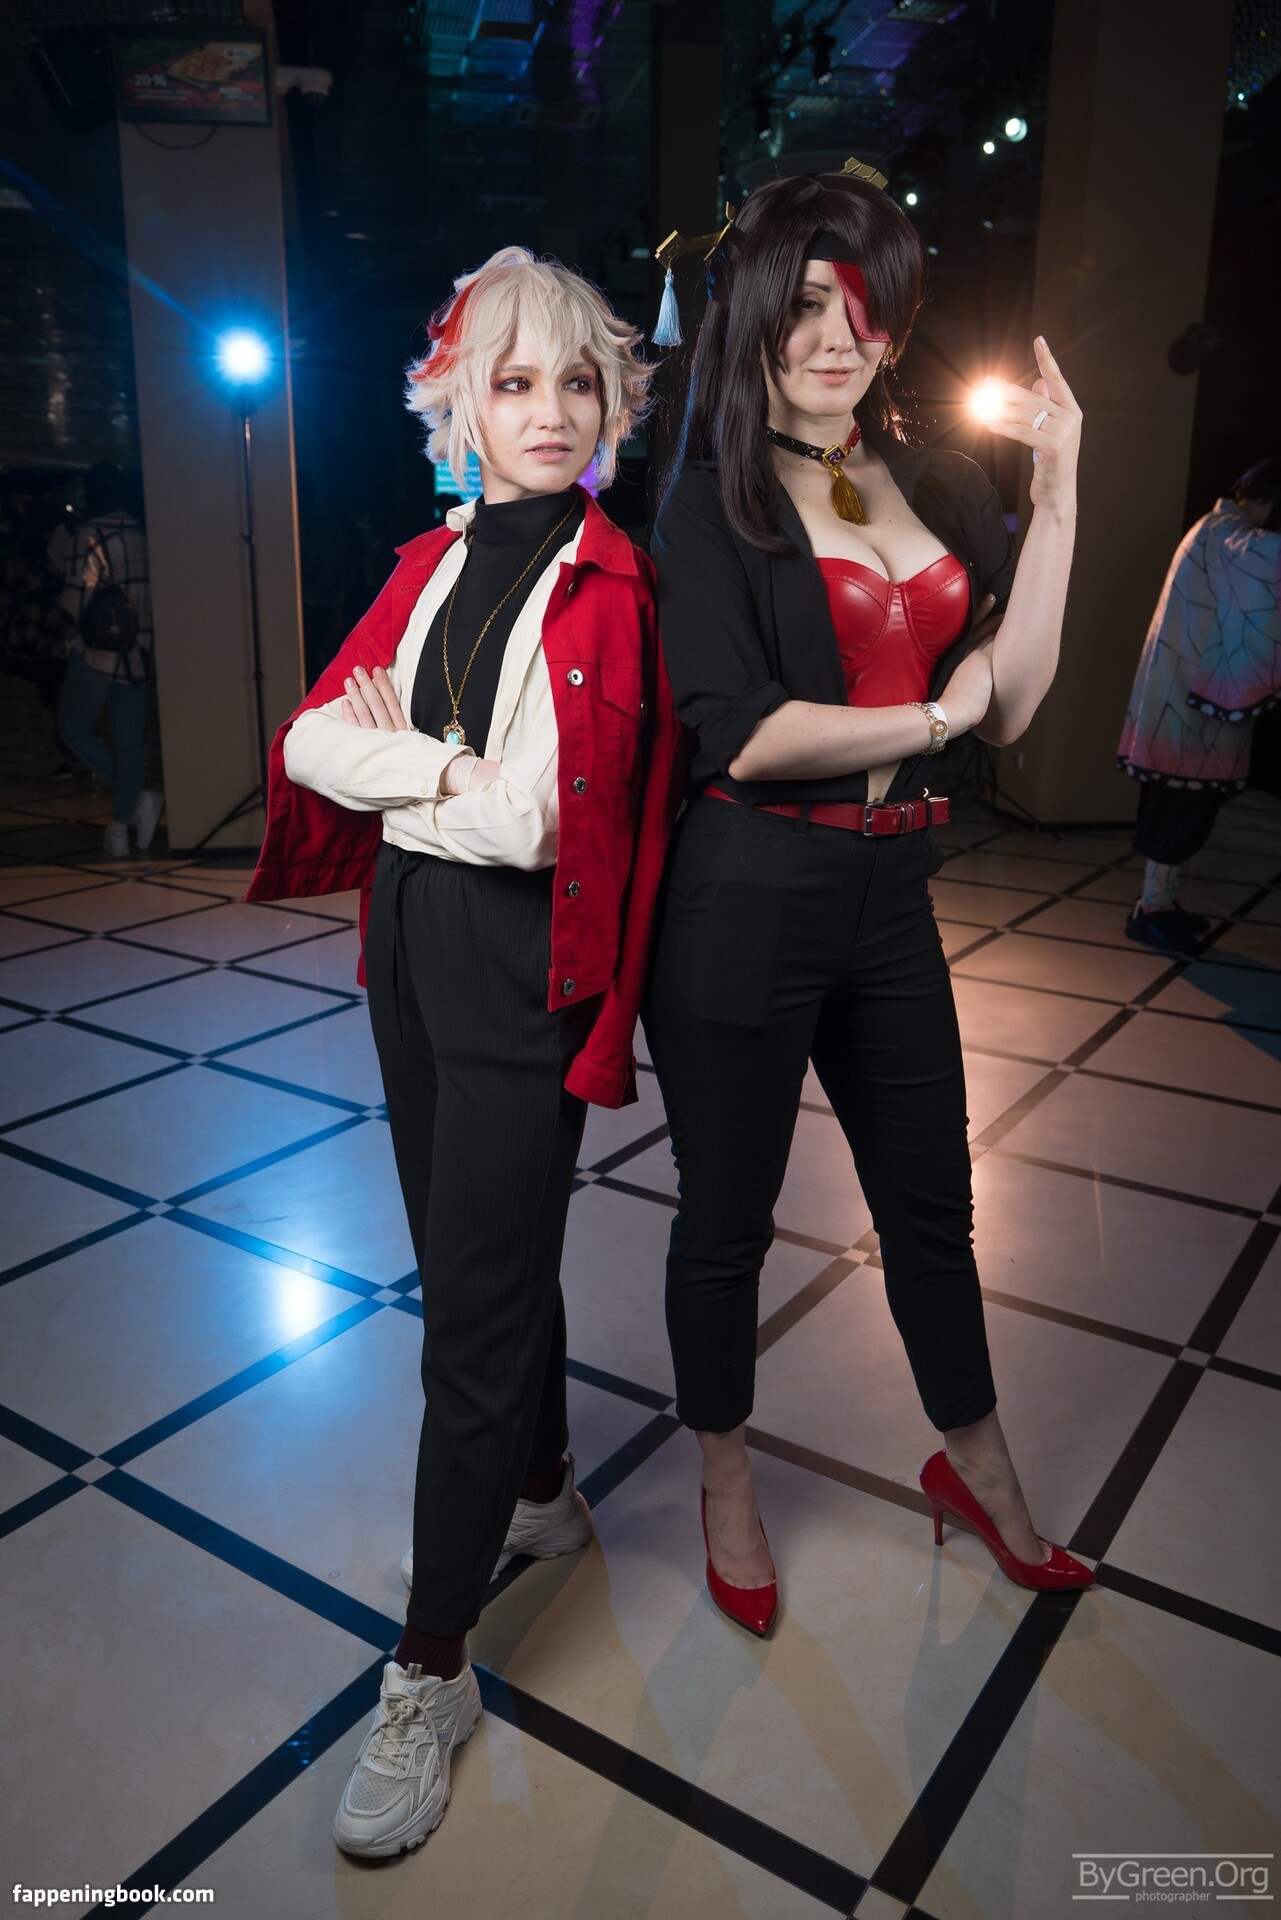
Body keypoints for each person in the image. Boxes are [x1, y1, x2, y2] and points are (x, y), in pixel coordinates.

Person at [245, 247, 687, 1857]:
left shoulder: (611, 589)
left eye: (578, 381)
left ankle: (429, 1670)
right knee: (468, 1258)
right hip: (410, 956)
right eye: (514, 383)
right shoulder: (431, 562)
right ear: (460, 410)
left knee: (469, 1323)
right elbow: (307, 736)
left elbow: (531, 822)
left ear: (612, 404)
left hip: (517, 975)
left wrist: (406, 763)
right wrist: (440, 772)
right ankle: (546, 1488)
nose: (551, 410)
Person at [644, 162, 1093, 1637]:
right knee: (726, 1222)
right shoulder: (706, 502)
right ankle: (725, 1482)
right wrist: (940, 719)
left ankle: (980, 1469)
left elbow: (1017, 699)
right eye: (805, 304)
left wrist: (1060, 488)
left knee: (933, 1212)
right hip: (746, 895)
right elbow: (746, 734)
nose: (836, 336)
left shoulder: (939, 481)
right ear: (753, 317)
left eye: (865, 306)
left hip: (891, 893)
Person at [1117, 458, 1281, 952]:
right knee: (1177, 812)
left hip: (1185, 701)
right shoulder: (1224, 532)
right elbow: (1264, 562)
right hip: (1186, 709)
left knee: (1181, 809)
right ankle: (1151, 909)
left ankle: (1160, 904)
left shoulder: (1216, 528)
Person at [56, 463, 164, 857]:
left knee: (73, 729)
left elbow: (75, 601)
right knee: (131, 744)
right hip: (141, 652)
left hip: (99, 651)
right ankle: (120, 829)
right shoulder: (147, 533)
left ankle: (135, 803)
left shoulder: (91, 534)